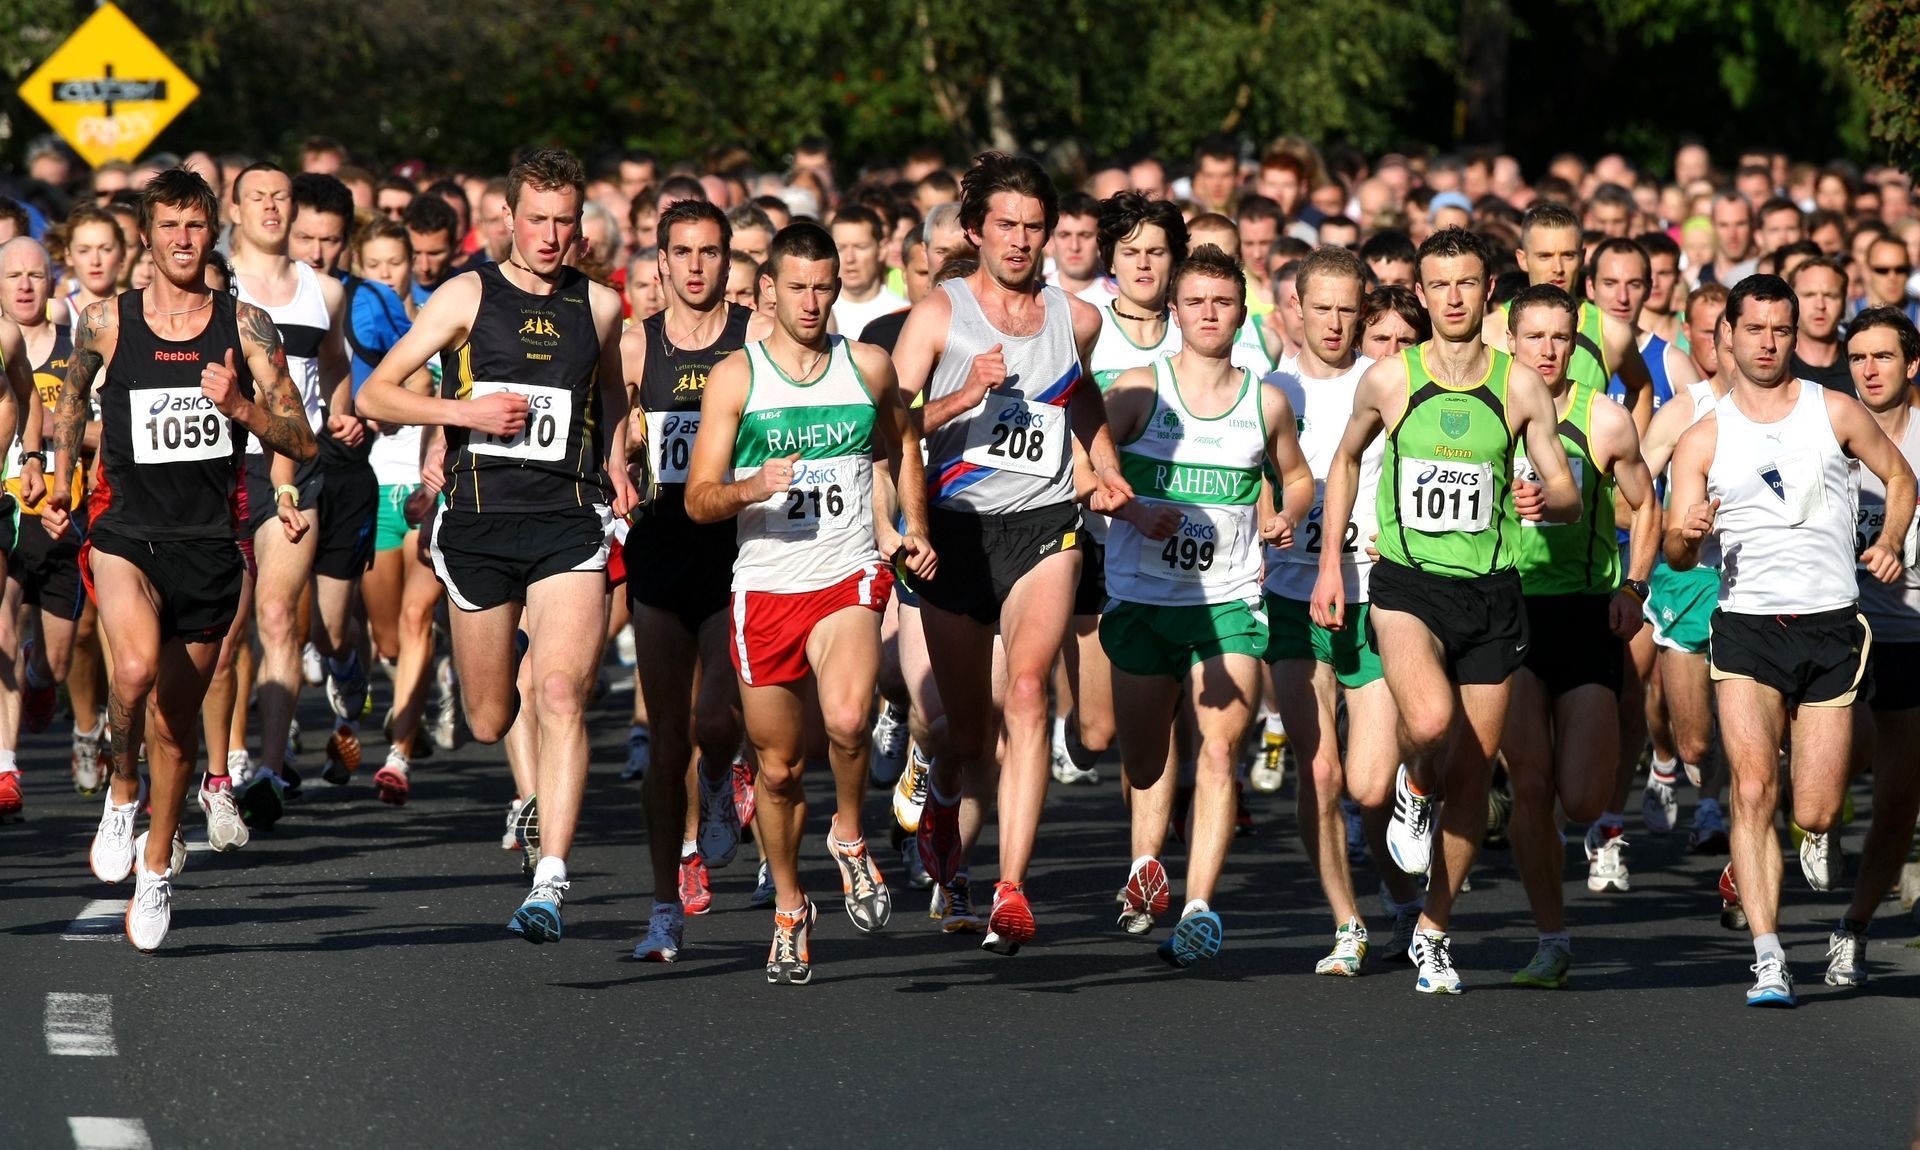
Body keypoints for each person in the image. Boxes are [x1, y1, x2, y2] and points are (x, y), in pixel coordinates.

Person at [356, 147, 639, 943]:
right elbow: (378, 392)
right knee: (488, 718)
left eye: (564, 221)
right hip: (479, 525)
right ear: (507, 218)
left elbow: (610, 394)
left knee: (562, 694)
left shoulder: (601, 305)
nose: (551, 236)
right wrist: (464, 414)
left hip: (568, 521)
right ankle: (516, 703)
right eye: (537, 219)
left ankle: (550, 879)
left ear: (580, 226)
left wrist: (618, 462)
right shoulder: (467, 294)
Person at [1311, 227, 1581, 994]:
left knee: (1473, 776)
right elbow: (1346, 459)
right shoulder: (1388, 379)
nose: (1454, 298)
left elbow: (1565, 489)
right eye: (1440, 285)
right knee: (1429, 725)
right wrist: (1330, 564)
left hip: (1492, 594)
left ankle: (1433, 930)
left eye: (1467, 283)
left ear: (1488, 291)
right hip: (1407, 583)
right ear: (1421, 294)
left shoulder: (1520, 385)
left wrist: (1546, 499)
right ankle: (1414, 785)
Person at [54, 167, 316, 950]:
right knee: (132, 670)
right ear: (146, 234)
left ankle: (159, 863)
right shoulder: (106, 320)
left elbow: (302, 439)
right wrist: (60, 477)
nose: (182, 239)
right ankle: (120, 791)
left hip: (209, 544)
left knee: (175, 728)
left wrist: (240, 407)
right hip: (125, 532)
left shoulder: (246, 324)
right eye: (168, 225)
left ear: (213, 233)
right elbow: (70, 400)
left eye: (195, 226)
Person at [891, 152, 1132, 955]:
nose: (1022, 241)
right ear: (976, 231)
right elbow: (886, 427)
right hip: (956, 532)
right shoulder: (939, 316)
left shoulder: (1078, 319)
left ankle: (1011, 889)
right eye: (1007, 226)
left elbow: (1079, 391)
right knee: (967, 736)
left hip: (1044, 525)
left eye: (1035, 227)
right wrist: (964, 395)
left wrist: (1105, 464)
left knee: (1029, 692)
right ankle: (941, 795)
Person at [683, 221, 933, 983]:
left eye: (824, 287)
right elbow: (697, 498)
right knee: (779, 769)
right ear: (769, 290)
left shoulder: (868, 367)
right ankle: (790, 906)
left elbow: (902, 442)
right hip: (766, 588)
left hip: (847, 575)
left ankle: (850, 833)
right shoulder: (737, 378)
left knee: (850, 718)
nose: (812, 302)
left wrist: (912, 526)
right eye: (797, 287)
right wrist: (751, 487)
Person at [1665, 274, 1914, 1007]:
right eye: (1755, 330)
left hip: (1831, 624)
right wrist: (1686, 536)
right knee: (1750, 787)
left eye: (1781, 330)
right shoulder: (1703, 436)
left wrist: (1890, 539)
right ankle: (1768, 955)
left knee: (1817, 810)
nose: (1769, 343)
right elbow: (1677, 550)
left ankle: (1809, 835)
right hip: (1746, 627)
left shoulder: (1832, 409)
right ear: (1729, 336)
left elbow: (1900, 477)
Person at [1102, 244, 1312, 967]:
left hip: (1228, 600)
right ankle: (1144, 866)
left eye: (1223, 302)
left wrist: (1287, 513)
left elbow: (1298, 477)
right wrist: (1131, 510)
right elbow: (1086, 463)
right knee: (1143, 756)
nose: (1210, 314)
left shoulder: (1265, 402)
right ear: (1175, 312)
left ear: (1241, 313)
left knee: (1220, 749)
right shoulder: (1140, 390)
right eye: (1196, 302)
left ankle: (1197, 905)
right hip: (1140, 599)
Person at [1260, 247, 1424, 974]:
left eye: (1346, 309)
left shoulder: (1386, 383)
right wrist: (1266, 519)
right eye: (1319, 308)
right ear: (1295, 308)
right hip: (1290, 597)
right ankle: (1346, 921)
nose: (1332, 322)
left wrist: (1404, 535)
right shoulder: (1269, 390)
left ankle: (1403, 901)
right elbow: (1247, 478)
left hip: (1374, 596)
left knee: (1368, 784)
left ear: (1363, 311)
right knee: (1321, 771)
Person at [1498, 284, 1657, 988]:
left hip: (1586, 613)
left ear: (1576, 343)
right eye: (1533, 337)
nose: (1548, 350)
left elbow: (1646, 507)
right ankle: (1550, 936)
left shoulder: (1605, 419)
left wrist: (1633, 588)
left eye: (1560, 337)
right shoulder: (1487, 413)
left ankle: (1565, 828)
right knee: (1531, 785)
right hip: (1509, 611)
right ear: (1510, 342)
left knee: (1583, 798)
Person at [623, 199, 769, 959]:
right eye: (682, 252)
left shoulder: (757, 337)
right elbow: (604, 420)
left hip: (734, 550)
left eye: (710, 252)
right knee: (664, 739)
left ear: (728, 260)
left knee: (713, 723)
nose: (696, 266)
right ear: (661, 263)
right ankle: (663, 907)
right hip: (659, 549)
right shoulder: (634, 344)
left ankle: (721, 778)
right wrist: (617, 457)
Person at [226, 161, 349, 827]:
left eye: (281, 197)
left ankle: (270, 772)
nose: (272, 207)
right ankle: (227, 760)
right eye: (258, 197)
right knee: (226, 628)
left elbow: (335, 365)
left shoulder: (323, 291)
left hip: (297, 465)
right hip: (222, 465)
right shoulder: (216, 283)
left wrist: (341, 413)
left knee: (277, 617)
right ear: (234, 209)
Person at [1828, 307, 1920, 986]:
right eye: (1858, 357)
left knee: (1896, 798)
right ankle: (1811, 817)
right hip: (1838, 630)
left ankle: (1853, 926)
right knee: (1844, 760)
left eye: (1883, 356)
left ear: (1911, 365)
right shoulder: (1827, 433)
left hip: (1910, 634)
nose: (1869, 369)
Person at [0, 239, 107, 810]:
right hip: (11, 509)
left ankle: (40, 678)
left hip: (65, 516)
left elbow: (109, 428)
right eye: (12, 275)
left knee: (59, 660)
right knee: (2, 628)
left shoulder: (78, 350)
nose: (24, 286)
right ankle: (6, 769)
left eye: (35, 275)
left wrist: (54, 435)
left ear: (52, 282)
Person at [828, 205, 905, 338]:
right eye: (840, 248)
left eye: (860, 247)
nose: (850, 258)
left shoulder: (901, 315)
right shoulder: (816, 314)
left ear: (882, 249)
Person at [1788, 255, 1855, 394]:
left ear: (1844, 304)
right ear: (1792, 303)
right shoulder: (1777, 367)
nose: (1820, 305)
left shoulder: (1862, 367)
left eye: (1830, 295)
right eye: (1809, 295)